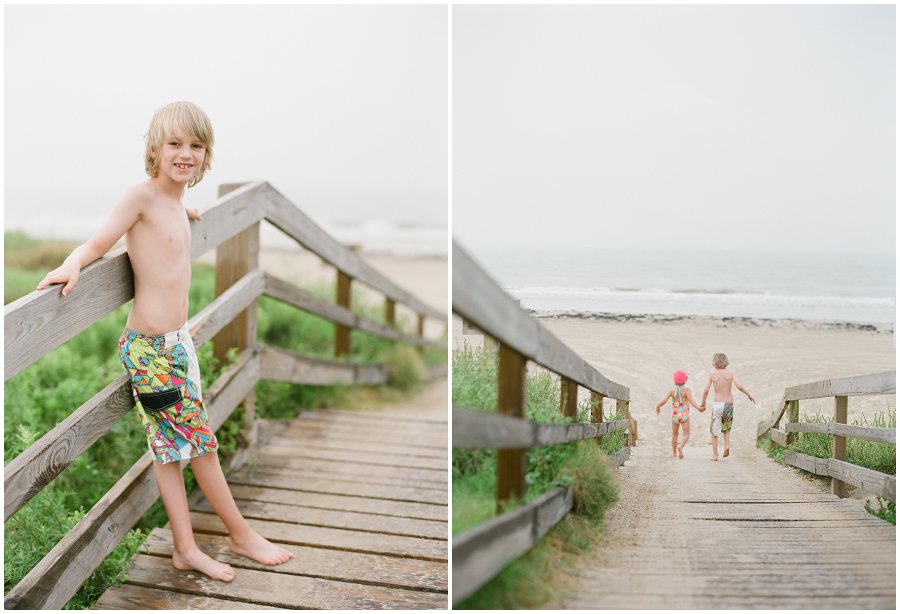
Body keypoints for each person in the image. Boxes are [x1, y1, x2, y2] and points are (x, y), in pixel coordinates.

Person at [36, 101, 293, 582]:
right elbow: (98, 243)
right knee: (201, 446)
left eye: (196, 146)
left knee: (170, 450)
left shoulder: (173, 202)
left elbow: (165, 228)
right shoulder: (141, 196)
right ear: (155, 149)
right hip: (151, 352)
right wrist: (72, 264)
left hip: (177, 346)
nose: (186, 154)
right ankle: (238, 533)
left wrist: (180, 207)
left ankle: (185, 547)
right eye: (175, 144)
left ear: (206, 154)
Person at [700, 352, 755, 461]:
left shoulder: (712, 375)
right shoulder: (731, 373)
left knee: (713, 431)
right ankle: (726, 445)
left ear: (715, 362)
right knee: (726, 426)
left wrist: (703, 402)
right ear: (726, 362)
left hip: (717, 404)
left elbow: (706, 390)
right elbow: (739, 386)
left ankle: (715, 455)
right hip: (728, 404)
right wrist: (748, 395)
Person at [655, 370, 704, 459]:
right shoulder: (687, 390)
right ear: (685, 380)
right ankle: (680, 447)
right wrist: (699, 408)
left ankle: (674, 453)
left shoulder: (672, 391)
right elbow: (692, 401)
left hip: (675, 415)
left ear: (674, 381)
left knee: (674, 434)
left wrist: (658, 406)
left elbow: (664, 401)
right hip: (684, 414)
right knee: (686, 434)